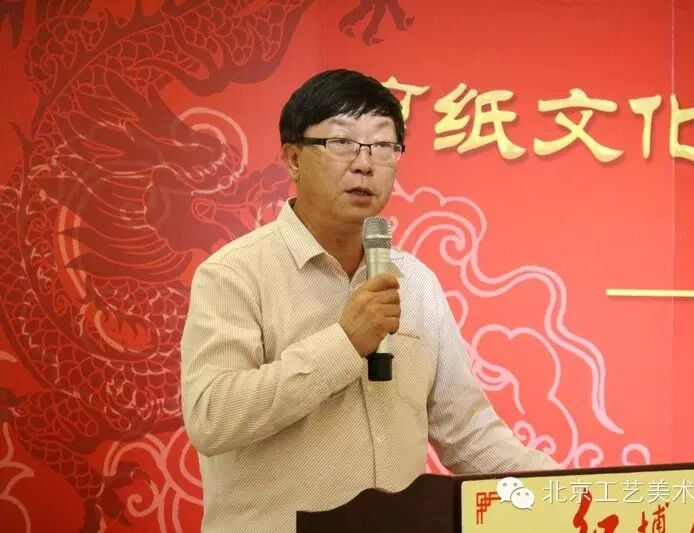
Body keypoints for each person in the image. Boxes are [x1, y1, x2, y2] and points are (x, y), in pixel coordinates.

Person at [180, 69, 559, 533]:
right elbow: (211, 417)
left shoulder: (415, 283)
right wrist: (343, 344)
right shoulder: (235, 273)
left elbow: (466, 433)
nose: (365, 164)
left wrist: (572, 493)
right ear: (294, 159)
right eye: (342, 143)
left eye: (382, 146)